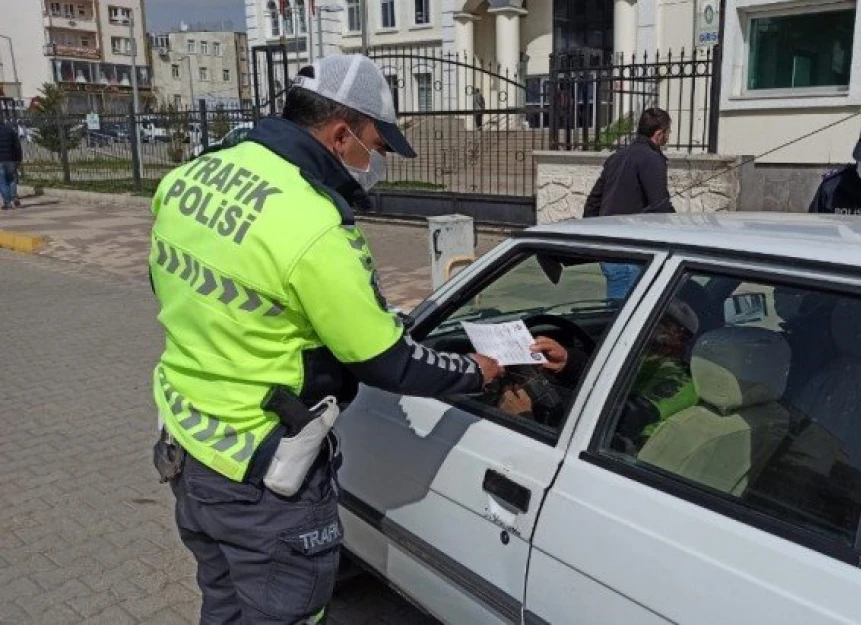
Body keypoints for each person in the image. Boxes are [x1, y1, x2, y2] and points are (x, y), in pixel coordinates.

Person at [148, 54, 503, 624]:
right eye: (377, 146)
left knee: (224, 608)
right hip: (263, 477)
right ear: (342, 134)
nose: (378, 161)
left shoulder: (192, 176)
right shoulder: (314, 224)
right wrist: (478, 371)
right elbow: (387, 362)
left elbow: (172, 286)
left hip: (187, 450)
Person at [501, 299, 699, 447]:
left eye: (663, 326)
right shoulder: (638, 355)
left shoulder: (679, 381)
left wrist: (525, 417)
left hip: (621, 456)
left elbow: (613, 422)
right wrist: (567, 361)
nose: (650, 329)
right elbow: (604, 382)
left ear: (681, 339)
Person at [584, 107, 675, 300]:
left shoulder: (616, 157)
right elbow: (660, 206)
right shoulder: (652, 159)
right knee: (621, 317)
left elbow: (593, 202)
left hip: (608, 248)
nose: (668, 137)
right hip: (629, 252)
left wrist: (592, 237)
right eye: (668, 133)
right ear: (659, 134)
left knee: (620, 313)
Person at [0, 116, 22, 210]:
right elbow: (17, 145)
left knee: (2, 182)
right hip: (11, 159)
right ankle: (14, 198)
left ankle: (7, 203)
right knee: (11, 180)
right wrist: (18, 158)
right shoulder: (10, 130)